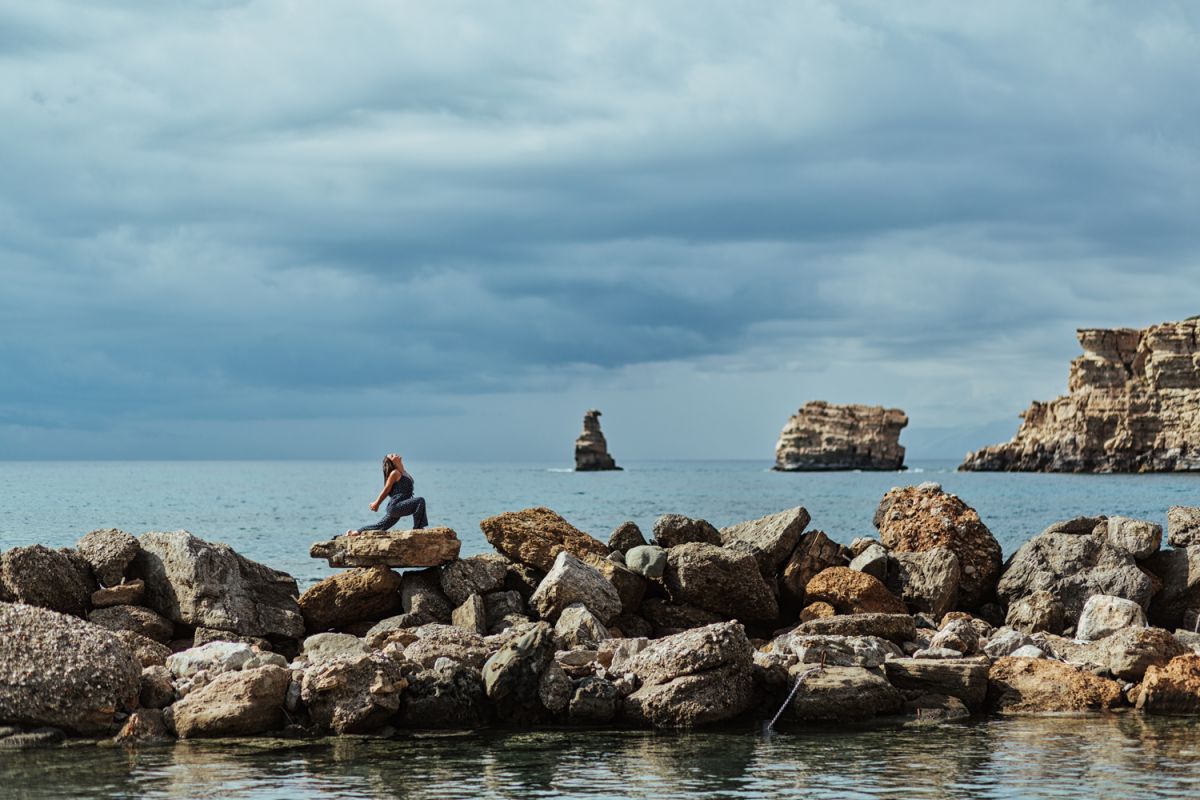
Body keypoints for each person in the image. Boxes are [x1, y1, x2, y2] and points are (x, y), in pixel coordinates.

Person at [345, 453, 428, 536]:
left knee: (380, 526)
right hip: (395, 506)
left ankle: (355, 532)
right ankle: (418, 529)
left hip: (400, 505)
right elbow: (386, 490)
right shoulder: (395, 473)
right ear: (392, 462)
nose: (395, 454)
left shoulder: (404, 472)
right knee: (420, 501)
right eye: (392, 456)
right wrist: (376, 503)